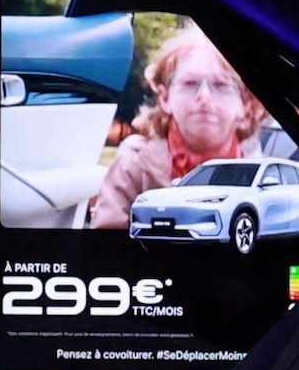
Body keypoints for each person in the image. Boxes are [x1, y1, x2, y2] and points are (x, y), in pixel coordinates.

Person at [78, 20, 270, 230]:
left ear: (245, 105)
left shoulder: (262, 172)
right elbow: (106, 249)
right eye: (190, 84)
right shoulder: (134, 165)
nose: (204, 97)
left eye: (221, 85)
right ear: (165, 98)